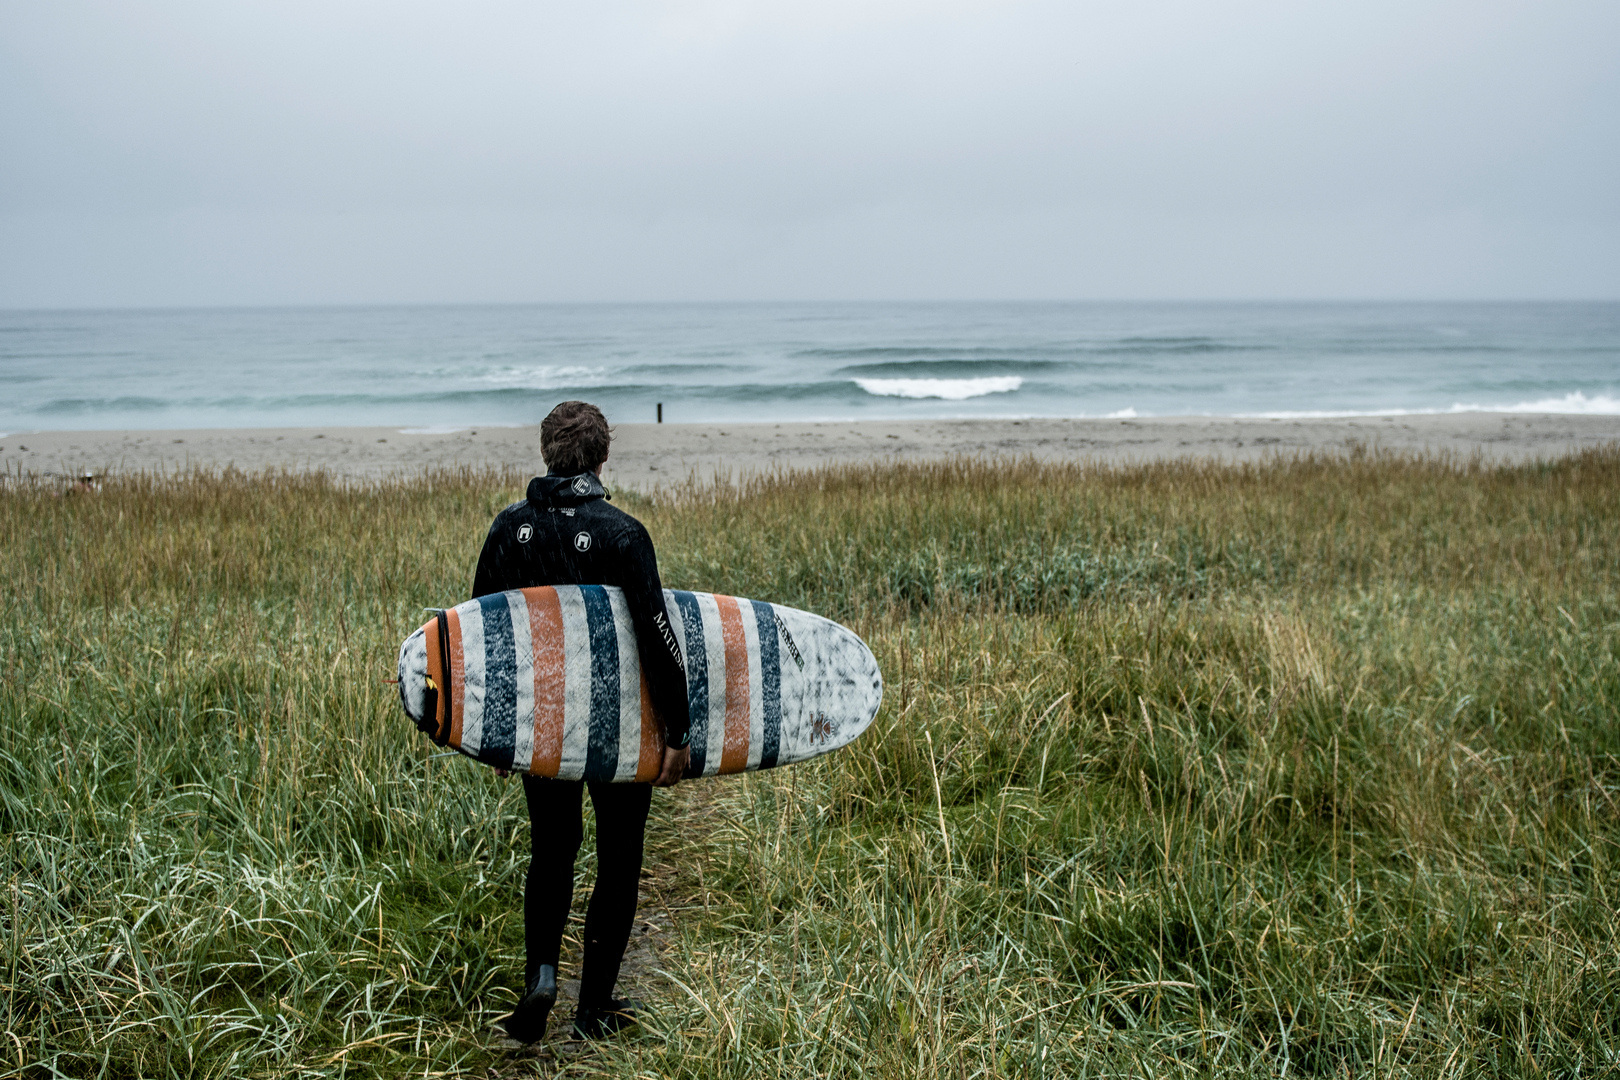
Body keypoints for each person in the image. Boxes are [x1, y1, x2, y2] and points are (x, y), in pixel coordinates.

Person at [470, 401, 691, 1042]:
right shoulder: (624, 534)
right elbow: (657, 636)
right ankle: (593, 1009)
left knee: (552, 848)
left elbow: (485, 634)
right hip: (618, 725)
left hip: (544, 724)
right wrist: (677, 731)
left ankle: (541, 975)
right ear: (602, 457)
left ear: (546, 453)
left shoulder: (509, 529)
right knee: (618, 860)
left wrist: (495, 733)